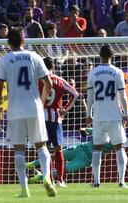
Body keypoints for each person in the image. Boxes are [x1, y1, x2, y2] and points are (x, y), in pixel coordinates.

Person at [0, 29, 56, 198]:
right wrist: (41, 101)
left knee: (19, 149)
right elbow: (49, 83)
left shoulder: (5, 60)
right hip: (34, 107)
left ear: (8, 43)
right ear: (24, 41)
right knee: (41, 145)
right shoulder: (34, 57)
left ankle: (24, 189)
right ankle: (47, 178)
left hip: (15, 109)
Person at [86, 45, 128, 188]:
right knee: (119, 147)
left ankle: (96, 182)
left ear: (100, 55)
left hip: (99, 116)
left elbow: (90, 96)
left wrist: (88, 114)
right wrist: (126, 114)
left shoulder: (93, 73)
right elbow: (123, 96)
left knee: (97, 148)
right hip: (114, 116)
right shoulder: (117, 72)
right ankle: (122, 181)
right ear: (112, 56)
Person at [39, 57, 79, 187]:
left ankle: (48, 180)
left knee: (44, 149)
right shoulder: (59, 80)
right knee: (58, 149)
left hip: (41, 117)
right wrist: (65, 109)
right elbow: (75, 94)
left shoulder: (38, 80)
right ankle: (60, 180)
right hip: (55, 118)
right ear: (53, 67)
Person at [27, 140, 114, 184]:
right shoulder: (104, 127)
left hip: (84, 160)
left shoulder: (118, 139)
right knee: (56, 155)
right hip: (79, 148)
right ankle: (32, 164)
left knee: (64, 170)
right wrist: (86, 130)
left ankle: (39, 177)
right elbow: (92, 131)